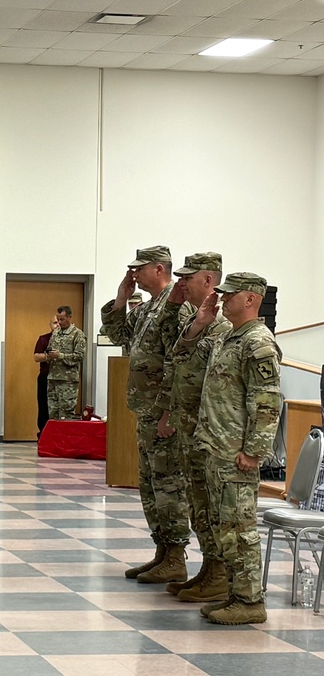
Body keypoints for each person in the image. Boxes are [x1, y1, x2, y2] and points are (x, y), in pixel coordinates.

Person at [180, 273, 281, 625]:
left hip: (235, 451)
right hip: (214, 447)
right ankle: (233, 593)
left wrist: (254, 451)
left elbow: (267, 402)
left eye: (229, 294)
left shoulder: (258, 342)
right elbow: (188, 358)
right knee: (224, 527)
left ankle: (250, 601)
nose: (221, 299)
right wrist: (200, 323)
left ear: (250, 299)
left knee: (240, 528)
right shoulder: (227, 336)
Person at [100, 245, 190, 584]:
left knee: (168, 486)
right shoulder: (148, 307)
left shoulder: (176, 308)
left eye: (140, 268)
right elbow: (117, 335)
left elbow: (177, 363)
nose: (134, 273)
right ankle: (162, 551)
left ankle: (177, 555)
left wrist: (168, 411)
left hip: (163, 413)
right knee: (151, 486)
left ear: (159, 269)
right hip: (146, 410)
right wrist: (121, 299)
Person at [161, 253, 232, 603]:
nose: (183, 282)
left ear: (209, 281)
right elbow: (178, 360)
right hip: (190, 428)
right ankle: (208, 568)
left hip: (212, 432)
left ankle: (220, 574)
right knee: (197, 503)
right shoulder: (200, 321)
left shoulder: (227, 328)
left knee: (213, 505)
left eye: (190, 277)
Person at [45, 305, 86, 420]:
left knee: (66, 415)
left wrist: (60, 356)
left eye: (62, 319)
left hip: (68, 381)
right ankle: (54, 438)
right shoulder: (56, 333)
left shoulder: (78, 335)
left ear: (69, 317)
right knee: (53, 414)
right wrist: (49, 355)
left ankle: (65, 438)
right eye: (58, 319)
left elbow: (79, 356)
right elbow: (49, 348)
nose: (59, 322)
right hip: (53, 378)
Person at [32, 314, 59, 437]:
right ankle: (43, 434)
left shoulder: (71, 339)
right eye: (54, 323)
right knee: (44, 407)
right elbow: (37, 357)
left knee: (60, 408)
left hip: (62, 380)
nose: (57, 325)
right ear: (50, 324)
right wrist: (49, 356)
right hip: (45, 377)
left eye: (59, 322)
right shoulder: (44, 339)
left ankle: (59, 435)